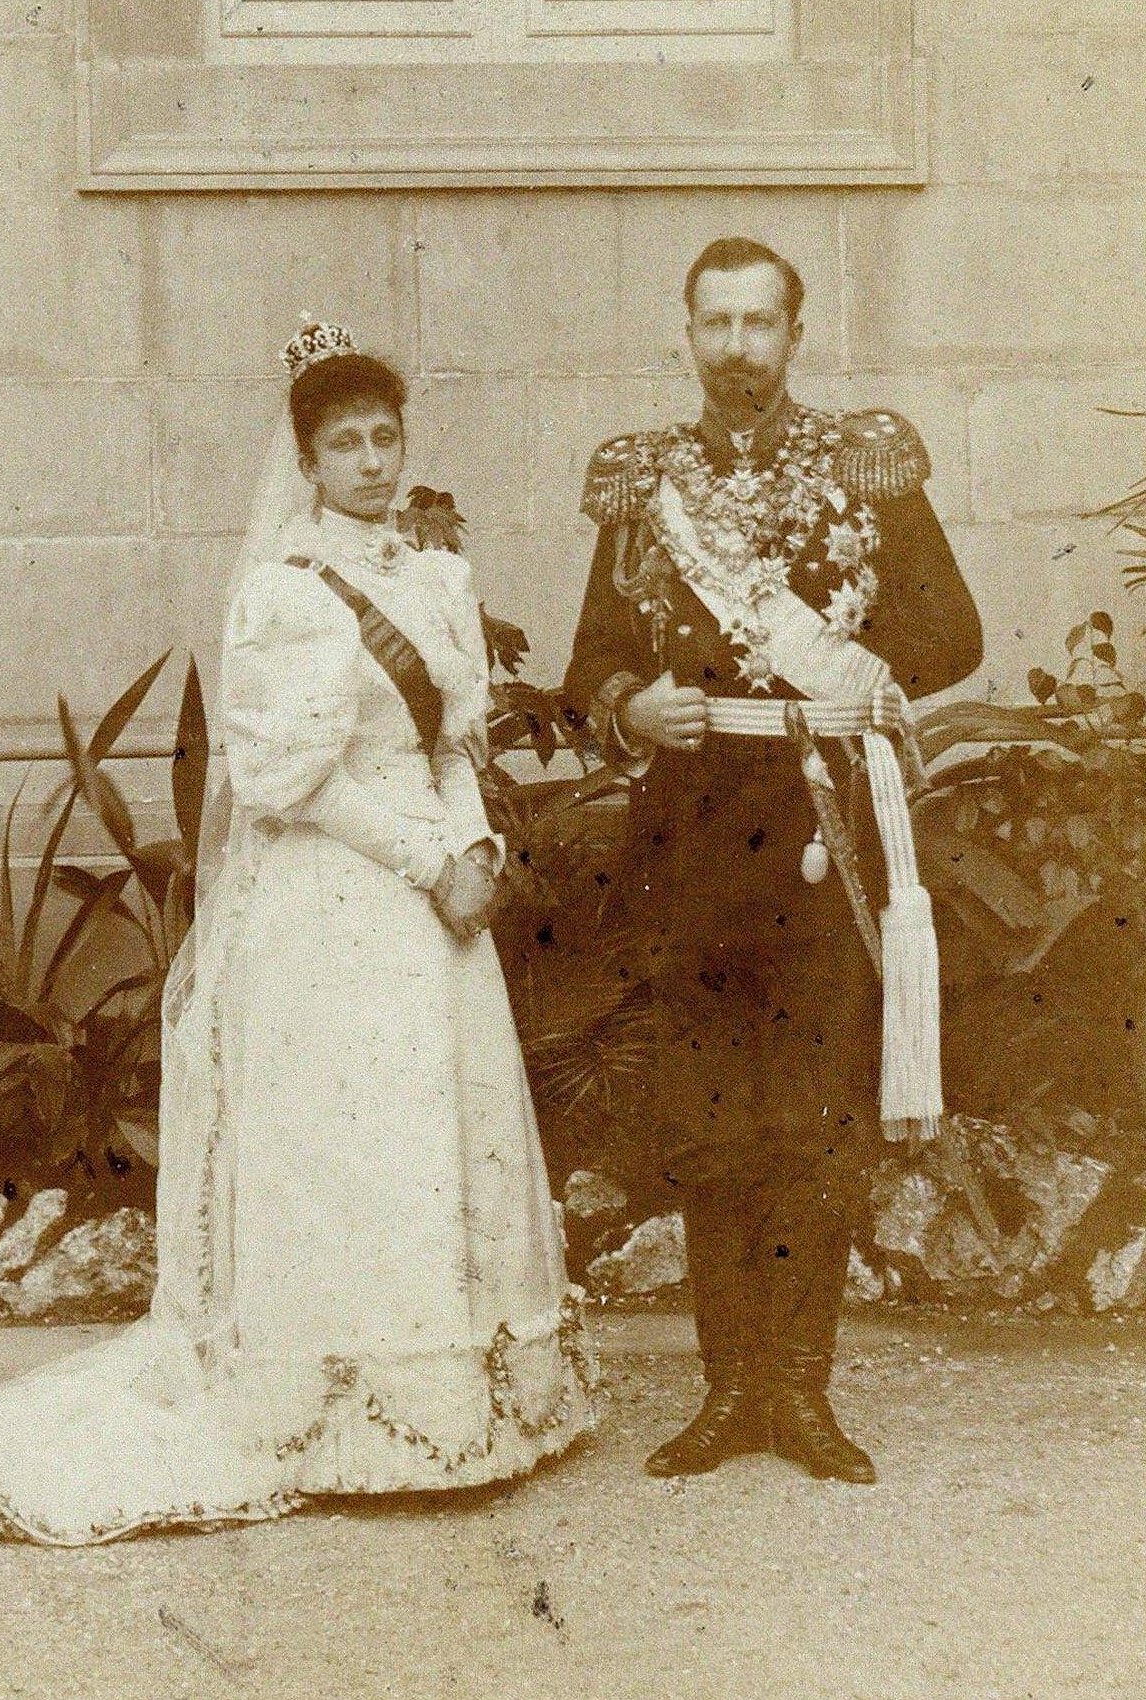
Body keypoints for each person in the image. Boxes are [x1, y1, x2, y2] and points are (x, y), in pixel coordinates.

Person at [0, 321, 592, 1545]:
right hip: (339, 898)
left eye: (383, 438)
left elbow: (454, 740)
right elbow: (293, 781)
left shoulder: (434, 573)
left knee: (447, 1129)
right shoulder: (285, 595)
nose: (368, 461)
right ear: (304, 461)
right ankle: (334, 1413)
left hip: (439, 895)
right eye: (343, 444)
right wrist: (421, 860)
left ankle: (466, 1406)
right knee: (353, 1143)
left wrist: (475, 851)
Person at [563, 237, 982, 1483]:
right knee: (708, 1116)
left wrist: (847, 681)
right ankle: (726, 1387)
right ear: (686, 336)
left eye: (760, 323)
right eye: (715, 323)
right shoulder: (645, 486)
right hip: (692, 831)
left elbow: (953, 631)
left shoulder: (864, 462)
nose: (737, 347)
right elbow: (594, 656)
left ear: (796, 334)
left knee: (812, 1117)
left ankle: (802, 1389)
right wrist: (630, 706)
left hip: (819, 824)